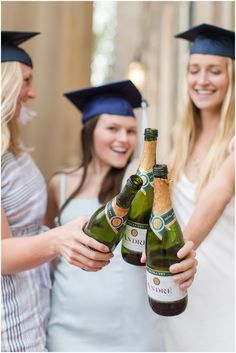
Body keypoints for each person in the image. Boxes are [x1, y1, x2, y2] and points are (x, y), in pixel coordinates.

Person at [45, 80, 197, 352]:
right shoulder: (61, 184)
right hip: (69, 326)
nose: (123, 139)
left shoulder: (144, 186)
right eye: (112, 129)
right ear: (90, 131)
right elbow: (50, 249)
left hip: (133, 328)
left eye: (130, 131)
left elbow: (167, 240)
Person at [1, 31, 113, 352]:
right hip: (8, 320)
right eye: (25, 80)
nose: (33, 92)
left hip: (34, 306)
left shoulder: (11, 149)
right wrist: (60, 238)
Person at [162, 23, 235, 352]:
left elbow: (220, 191)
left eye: (214, 71)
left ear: (231, 78)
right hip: (184, 290)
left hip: (225, 289)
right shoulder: (180, 140)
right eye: (194, 70)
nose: (202, 81)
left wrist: (178, 253)